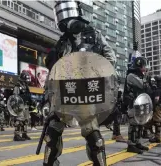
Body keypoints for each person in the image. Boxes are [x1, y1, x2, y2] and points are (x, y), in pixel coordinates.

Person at [43, 1, 116, 165]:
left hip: (86, 91)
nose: (63, 19)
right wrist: (48, 96)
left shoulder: (94, 35)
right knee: (51, 136)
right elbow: (53, 75)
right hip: (64, 92)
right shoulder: (62, 43)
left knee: (94, 138)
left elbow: (111, 59)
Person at [122, 56, 150, 154]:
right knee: (133, 125)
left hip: (138, 104)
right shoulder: (131, 76)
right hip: (132, 104)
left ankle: (137, 142)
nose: (145, 67)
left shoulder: (138, 76)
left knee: (140, 124)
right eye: (144, 65)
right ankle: (131, 145)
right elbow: (143, 85)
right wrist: (146, 75)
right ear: (139, 65)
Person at [12, 71, 32, 141]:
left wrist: (31, 102)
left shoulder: (26, 86)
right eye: (26, 79)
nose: (27, 81)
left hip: (26, 105)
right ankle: (16, 135)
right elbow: (15, 96)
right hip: (20, 105)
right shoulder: (18, 86)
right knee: (19, 120)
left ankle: (24, 133)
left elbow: (29, 95)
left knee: (25, 120)